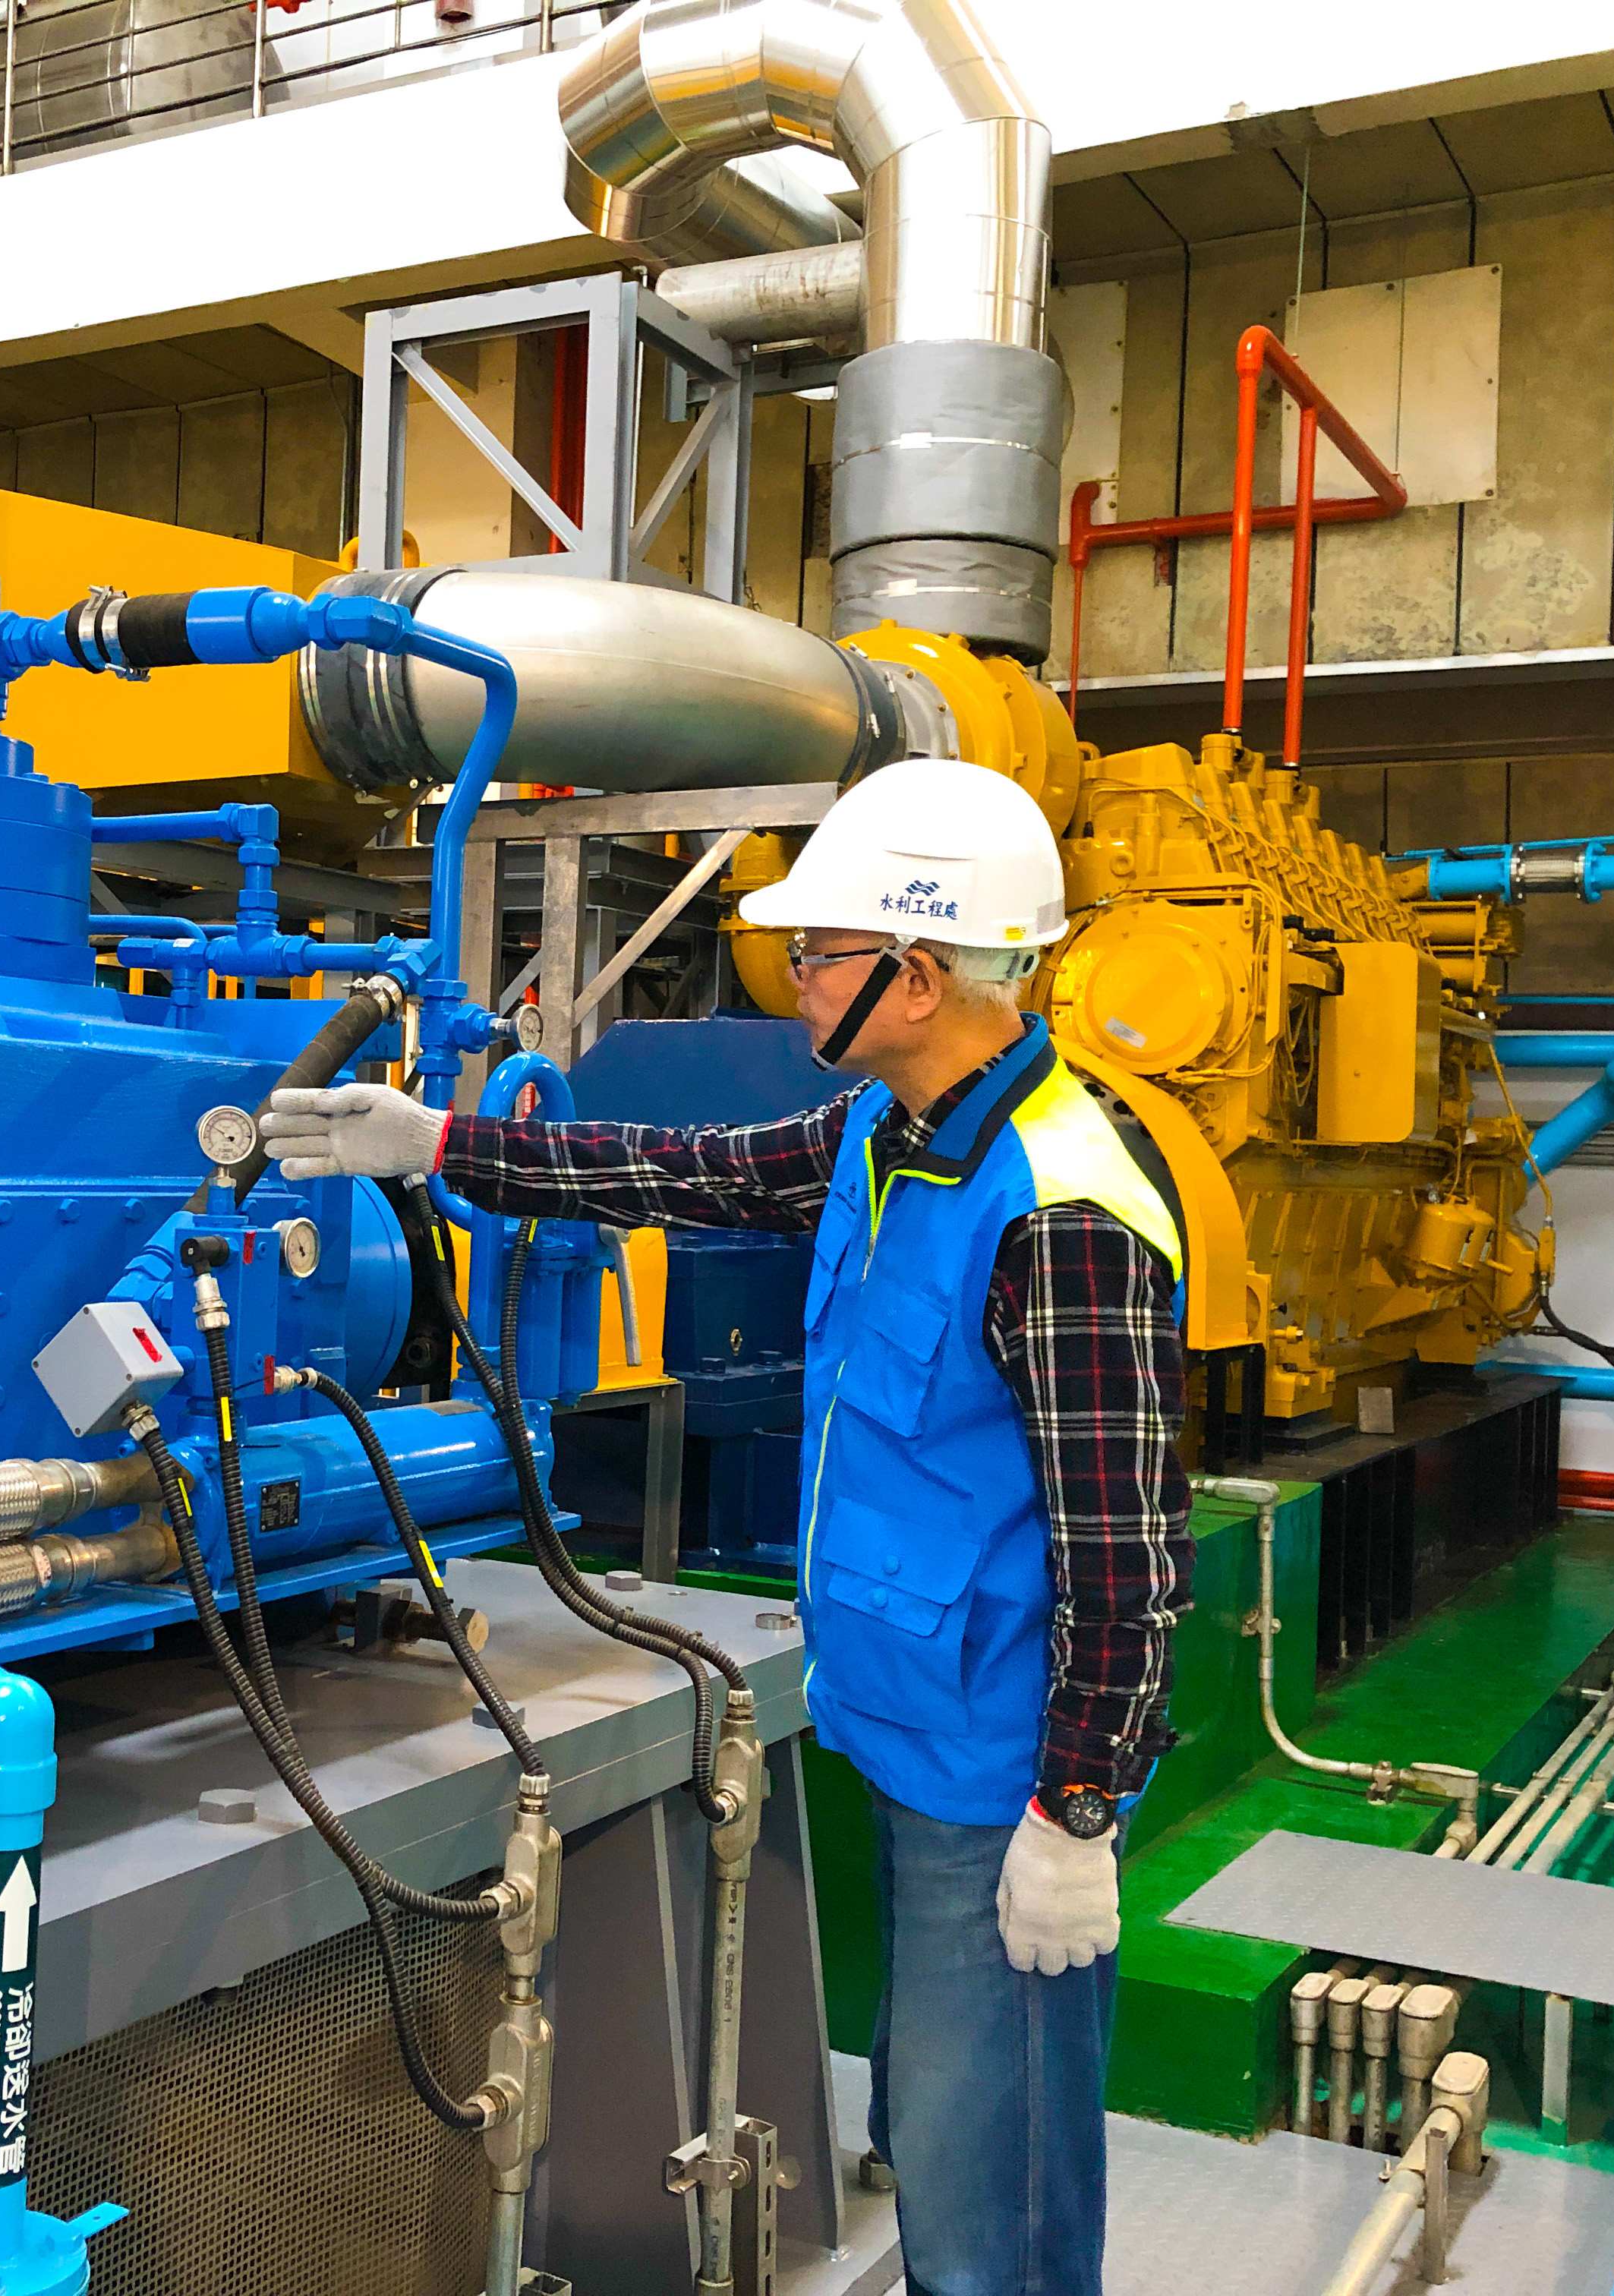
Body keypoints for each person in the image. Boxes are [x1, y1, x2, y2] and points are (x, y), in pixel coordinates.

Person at [259, 756, 1193, 2296]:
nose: (797, 976)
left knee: (993, 2188)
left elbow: (1126, 1553)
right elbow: (672, 1169)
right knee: (930, 2122)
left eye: (823, 952)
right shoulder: (882, 1137)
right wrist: (436, 1148)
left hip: (1003, 1780)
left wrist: (1076, 1811)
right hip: (903, 1724)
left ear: (922, 971)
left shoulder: (1061, 1209)